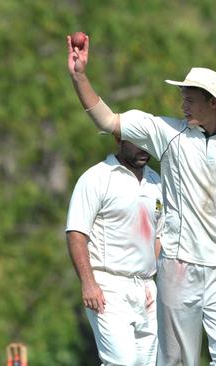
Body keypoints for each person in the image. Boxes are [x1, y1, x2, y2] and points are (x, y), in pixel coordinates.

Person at [67, 35, 216, 365]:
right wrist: (80, 76)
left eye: (191, 99)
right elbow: (107, 120)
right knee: (176, 359)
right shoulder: (168, 133)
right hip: (178, 267)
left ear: (213, 103)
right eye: (183, 97)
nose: (183, 104)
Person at [65, 138, 162, 365]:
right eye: (138, 142)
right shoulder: (97, 177)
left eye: (148, 143)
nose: (144, 149)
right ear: (119, 139)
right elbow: (76, 233)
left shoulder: (156, 181)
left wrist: (154, 280)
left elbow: (159, 236)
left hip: (147, 288)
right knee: (121, 361)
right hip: (108, 286)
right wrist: (88, 283)